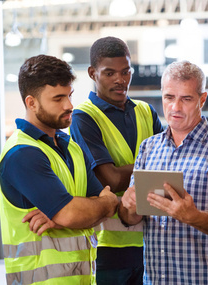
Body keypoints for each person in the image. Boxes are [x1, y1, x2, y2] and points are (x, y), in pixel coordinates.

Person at [119, 60, 208, 284]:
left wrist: (194, 217)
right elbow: (132, 219)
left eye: (186, 99)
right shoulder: (149, 148)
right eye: (169, 97)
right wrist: (128, 207)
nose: (175, 107)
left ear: (202, 100)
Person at [0, 55, 119, 285]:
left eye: (70, 96)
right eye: (58, 98)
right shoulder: (22, 153)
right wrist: (73, 212)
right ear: (31, 102)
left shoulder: (71, 148)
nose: (69, 105)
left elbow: (109, 204)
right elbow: (76, 212)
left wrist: (65, 216)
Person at [70, 36, 164, 285]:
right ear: (93, 73)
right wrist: (152, 170)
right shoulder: (84, 118)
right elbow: (109, 179)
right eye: (109, 73)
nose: (120, 80)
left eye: (125, 72)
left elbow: (169, 167)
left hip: (151, 241)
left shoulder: (146, 111)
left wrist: (148, 172)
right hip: (108, 247)